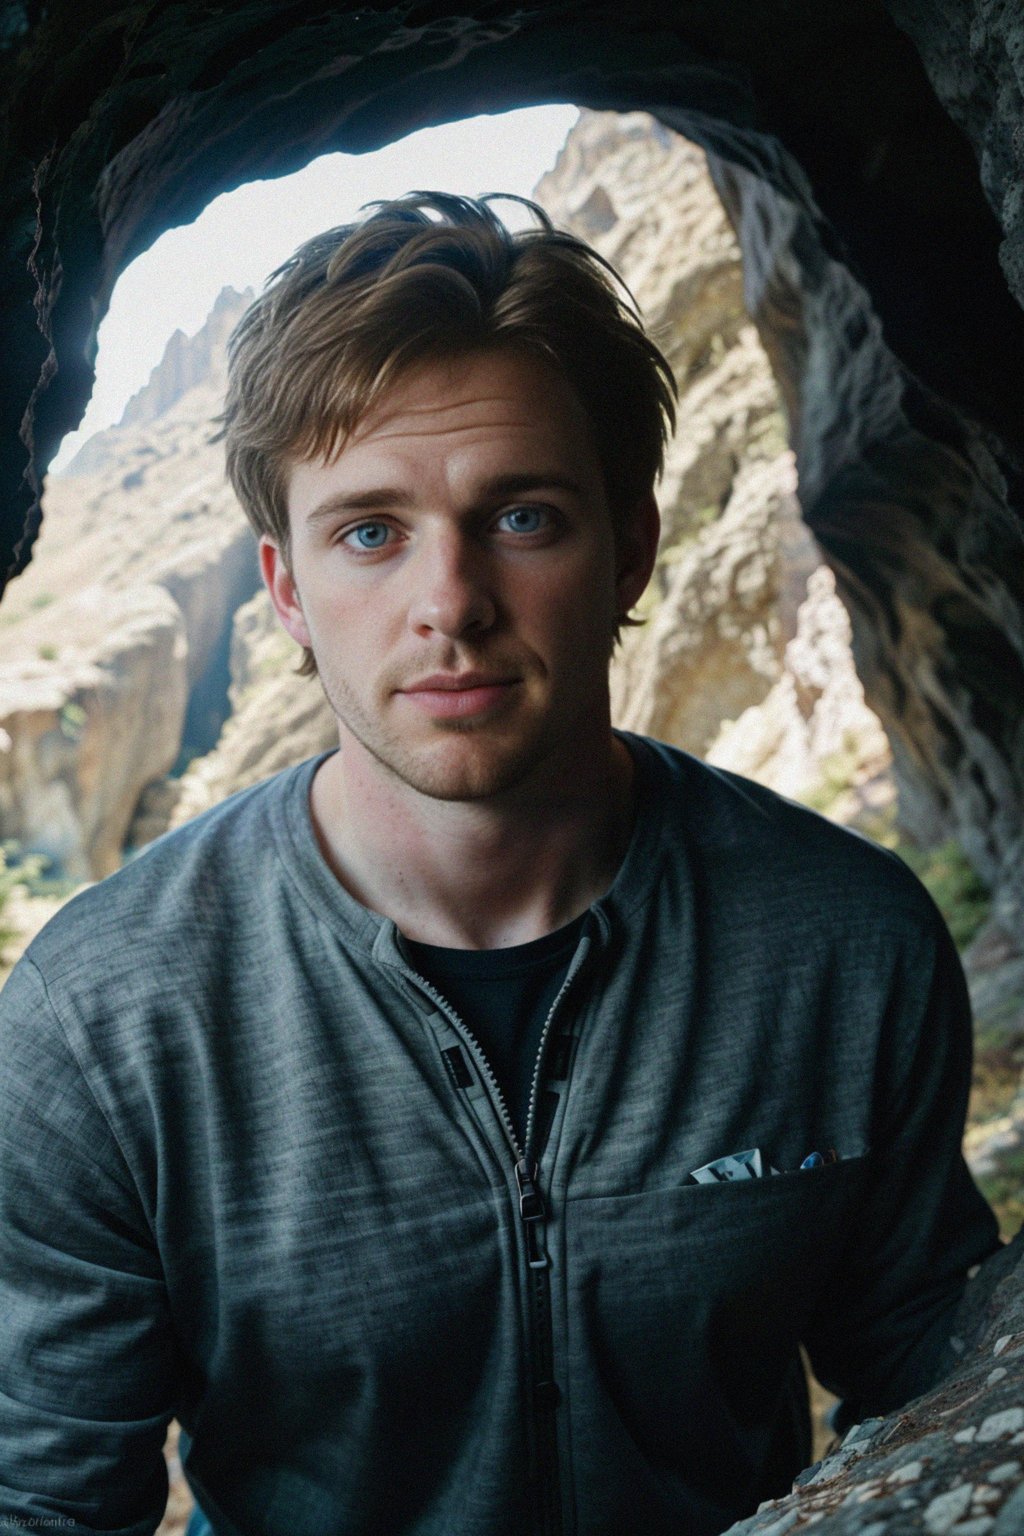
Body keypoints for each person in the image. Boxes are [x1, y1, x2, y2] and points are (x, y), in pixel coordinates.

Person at [0, 192, 1001, 1536]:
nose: (451, 602)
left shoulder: (843, 945)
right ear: (285, 591)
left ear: (632, 546)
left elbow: (941, 1389)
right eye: (369, 532)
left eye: (523, 518)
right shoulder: (101, 1021)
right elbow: (46, 1508)